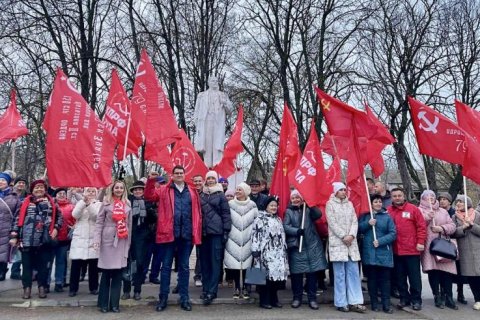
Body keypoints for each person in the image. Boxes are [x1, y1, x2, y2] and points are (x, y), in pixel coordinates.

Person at [144, 165, 202, 312]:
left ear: (184, 174)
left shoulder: (192, 191)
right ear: (172, 175)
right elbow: (149, 196)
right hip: (168, 234)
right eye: (176, 173)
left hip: (186, 235)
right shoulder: (164, 189)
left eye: (181, 173)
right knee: (166, 268)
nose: (179, 175)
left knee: (184, 268)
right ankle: (163, 298)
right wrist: (151, 180)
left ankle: (184, 298)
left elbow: (197, 213)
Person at [9, 179, 62, 299]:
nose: (39, 189)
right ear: (32, 190)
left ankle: (41, 288)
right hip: (27, 240)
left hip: (44, 240)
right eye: (36, 188)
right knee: (27, 267)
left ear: (45, 189)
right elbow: (17, 219)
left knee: (43, 267)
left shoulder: (52, 202)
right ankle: (26, 289)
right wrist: (14, 236)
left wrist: (56, 229)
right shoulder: (25, 202)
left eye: (41, 187)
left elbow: (59, 217)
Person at [326, 182, 366, 313]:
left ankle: (355, 301)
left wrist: (352, 235)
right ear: (336, 192)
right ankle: (341, 302)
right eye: (341, 190)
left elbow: (355, 221)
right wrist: (344, 236)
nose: (344, 192)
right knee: (340, 274)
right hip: (338, 242)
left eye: (344, 189)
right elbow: (332, 222)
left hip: (351, 243)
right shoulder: (330, 204)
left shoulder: (350, 204)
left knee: (353, 273)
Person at [284, 189, 327, 310]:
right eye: (293, 198)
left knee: (312, 275)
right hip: (297, 247)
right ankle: (297, 298)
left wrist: (310, 204)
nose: (296, 200)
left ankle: (312, 299)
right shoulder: (288, 211)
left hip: (312, 246)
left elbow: (318, 214)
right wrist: (296, 231)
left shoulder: (308, 210)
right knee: (297, 275)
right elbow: (285, 226)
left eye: (298, 197)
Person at [93, 180, 132, 313]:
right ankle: (103, 304)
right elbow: (99, 223)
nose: (119, 189)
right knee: (106, 273)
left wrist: (128, 244)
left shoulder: (128, 204)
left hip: (122, 240)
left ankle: (114, 304)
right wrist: (96, 240)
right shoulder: (105, 203)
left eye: (121, 187)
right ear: (113, 189)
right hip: (107, 240)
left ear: (124, 190)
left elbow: (130, 226)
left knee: (117, 274)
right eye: (117, 187)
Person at [387, 187, 427, 311]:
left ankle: (416, 300)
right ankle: (404, 298)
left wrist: (420, 242)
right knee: (400, 277)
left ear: (404, 196)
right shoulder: (388, 211)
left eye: (399, 195)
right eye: (394, 196)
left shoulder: (413, 209)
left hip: (411, 250)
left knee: (414, 278)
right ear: (391, 198)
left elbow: (421, 227)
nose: (397, 198)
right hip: (395, 250)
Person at [418, 190, 457, 310]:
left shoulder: (443, 211)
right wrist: (427, 218)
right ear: (423, 199)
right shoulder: (419, 210)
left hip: (444, 245)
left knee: (446, 272)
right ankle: (437, 295)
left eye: (433, 197)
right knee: (433, 272)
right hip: (429, 245)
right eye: (427, 197)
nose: (431, 199)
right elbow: (418, 225)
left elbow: (452, 226)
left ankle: (449, 296)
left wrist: (441, 228)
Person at [358, 194, 396, 313]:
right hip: (370, 254)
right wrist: (368, 224)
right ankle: (374, 303)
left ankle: (386, 304)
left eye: (380, 201)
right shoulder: (365, 216)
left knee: (385, 281)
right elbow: (358, 229)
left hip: (384, 253)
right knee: (372, 280)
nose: (378, 204)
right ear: (371, 204)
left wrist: (380, 241)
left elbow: (393, 233)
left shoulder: (387, 217)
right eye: (375, 202)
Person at [199, 171, 231, 305]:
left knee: (215, 262)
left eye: (213, 178)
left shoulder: (221, 195)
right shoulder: (201, 194)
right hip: (203, 233)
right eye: (209, 178)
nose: (210, 180)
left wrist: (225, 231)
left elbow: (226, 214)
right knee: (204, 263)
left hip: (216, 233)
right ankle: (205, 289)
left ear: (216, 180)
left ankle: (212, 291)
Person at [121, 181, 157, 300]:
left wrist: (150, 211)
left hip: (142, 237)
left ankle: (137, 290)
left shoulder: (148, 202)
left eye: (140, 189)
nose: (137, 191)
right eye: (135, 189)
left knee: (140, 264)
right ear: (132, 191)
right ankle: (126, 290)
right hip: (127, 235)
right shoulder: (127, 202)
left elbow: (153, 220)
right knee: (126, 263)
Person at [251, 196, 288, 309]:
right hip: (265, 252)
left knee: (275, 279)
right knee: (264, 278)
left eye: (275, 206)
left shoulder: (278, 219)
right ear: (266, 206)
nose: (274, 207)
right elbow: (255, 234)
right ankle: (264, 300)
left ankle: (274, 299)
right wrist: (255, 249)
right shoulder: (260, 219)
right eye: (271, 205)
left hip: (278, 253)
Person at [225, 182, 258, 299]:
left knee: (247, 265)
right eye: (237, 189)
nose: (237, 191)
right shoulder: (230, 204)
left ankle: (245, 287)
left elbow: (256, 221)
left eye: (240, 189)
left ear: (246, 191)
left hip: (248, 238)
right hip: (233, 238)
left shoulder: (253, 205)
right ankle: (236, 287)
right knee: (234, 265)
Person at [193, 76, 234, 167]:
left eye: (216, 81)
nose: (215, 82)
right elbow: (197, 110)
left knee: (217, 146)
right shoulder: (201, 95)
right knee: (207, 146)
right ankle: (207, 168)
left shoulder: (223, 95)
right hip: (205, 122)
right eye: (212, 81)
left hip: (218, 123)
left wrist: (224, 102)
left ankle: (217, 167)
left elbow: (230, 111)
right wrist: (197, 125)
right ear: (208, 82)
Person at [69, 187, 102, 297]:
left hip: (93, 236)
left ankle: (93, 287)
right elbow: (75, 215)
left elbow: (97, 216)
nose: (91, 193)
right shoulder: (80, 202)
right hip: (80, 237)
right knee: (76, 265)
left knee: (93, 266)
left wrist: (89, 205)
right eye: (89, 191)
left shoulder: (99, 204)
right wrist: (83, 203)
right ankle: (73, 289)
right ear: (84, 192)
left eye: (93, 191)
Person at [452, 195, 480, 310]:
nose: (458, 203)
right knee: (472, 277)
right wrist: (463, 227)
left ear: (467, 203)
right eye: (457, 201)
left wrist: (472, 225)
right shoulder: (454, 217)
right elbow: (453, 232)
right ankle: (477, 299)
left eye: (461, 202)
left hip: (478, 249)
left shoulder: (477, 215)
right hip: (465, 251)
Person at [47, 188, 75, 293]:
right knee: (49, 262)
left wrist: (73, 227)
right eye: (60, 193)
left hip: (64, 239)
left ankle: (59, 282)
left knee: (61, 262)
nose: (62, 195)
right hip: (51, 239)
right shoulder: (50, 206)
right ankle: (46, 282)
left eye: (64, 193)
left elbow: (76, 219)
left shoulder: (71, 206)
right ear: (55, 195)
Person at [0, 172, 21, 281]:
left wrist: (14, 233)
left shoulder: (14, 197)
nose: (0, 182)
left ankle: (2, 271)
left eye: (3, 180)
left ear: (8, 182)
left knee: (4, 252)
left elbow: (17, 215)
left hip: (6, 229)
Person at [192, 174, 204, 287]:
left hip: (202, 229)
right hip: (189, 228)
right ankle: (180, 283)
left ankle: (199, 275)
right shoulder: (189, 193)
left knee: (200, 255)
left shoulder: (206, 194)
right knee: (183, 256)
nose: (197, 183)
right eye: (195, 181)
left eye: (199, 181)